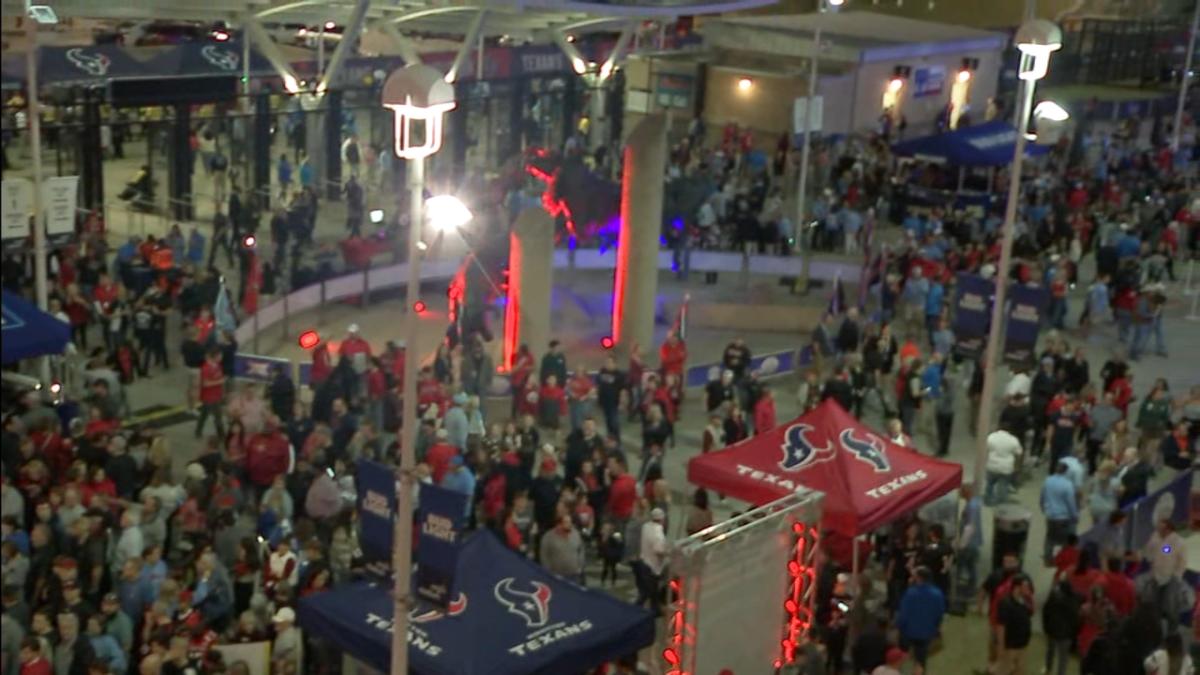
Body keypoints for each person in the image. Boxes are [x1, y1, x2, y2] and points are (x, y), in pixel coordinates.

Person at [895, 566, 945, 675]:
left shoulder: (910, 593)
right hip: (926, 633)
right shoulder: (937, 594)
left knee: (900, 658)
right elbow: (939, 614)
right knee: (921, 661)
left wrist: (898, 627)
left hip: (908, 632)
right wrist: (935, 629)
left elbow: (904, 615)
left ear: (919, 578)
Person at [1040, 461, 1078, 565]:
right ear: (1066, 472)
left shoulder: (1048, 480)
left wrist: (1043, 507)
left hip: (1050, 515)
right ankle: (1062, 559)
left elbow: (1042, 496)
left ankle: (1048, 559)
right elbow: (1070, 502)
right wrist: (1075, 516)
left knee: (1050, 537)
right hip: (1063, 517)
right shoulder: (1068, 485)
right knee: (1065, 540)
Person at [995, 574, 1034, 675]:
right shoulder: (1005, 603)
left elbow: (1030, 613)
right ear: (1017, 587)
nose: (1028, 589)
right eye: (1026, 586)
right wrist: (1001, 647)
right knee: (1003, 671)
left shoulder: (1024, 601)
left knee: (1020, 671)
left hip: (1022, 645)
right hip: (1010, 647)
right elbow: (1001, 627)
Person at [1042, 579, 1081, 675]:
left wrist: (1046, 627)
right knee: (1063, 658)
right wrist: (1074, 632)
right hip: (1066, 634)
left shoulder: (1053, 598)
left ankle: (1047, 669)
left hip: (1052, 631)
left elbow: (1045, 612)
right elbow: (1076, 618)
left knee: (1050, 651)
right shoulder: (1073, 600)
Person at [636, 508, 668, 616]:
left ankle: (655, 610)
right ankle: (636, 610)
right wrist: (668, 552)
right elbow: (658, 550)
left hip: (643, 561)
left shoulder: (646, 526)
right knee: (648, 592)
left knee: (651, 592)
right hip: (652, 566)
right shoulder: (658, 532)